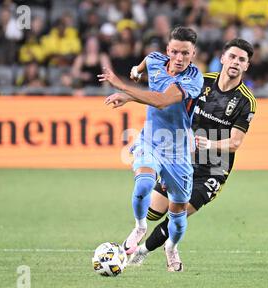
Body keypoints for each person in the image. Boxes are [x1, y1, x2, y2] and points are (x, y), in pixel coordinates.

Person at [127, 38, 257, 269]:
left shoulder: (246, 101)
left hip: (214, 168)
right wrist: (138, 72)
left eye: (242, 59)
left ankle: (149, 250)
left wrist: (208, 144)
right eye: (233, 57)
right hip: (181, 158)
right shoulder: (200, 81)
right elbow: (167, 91)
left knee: (180, 213)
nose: (236, 62)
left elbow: (235, 143)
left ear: (246, 66)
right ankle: (167, 241)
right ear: (223, 59)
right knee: (154, 212)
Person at [97, 27, 204, 272]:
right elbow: (147, 61)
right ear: (168, 50)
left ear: (193, 53)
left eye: (185, 54)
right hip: (151, 141)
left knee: (177, 214)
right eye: (175, 52)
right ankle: (140, 227)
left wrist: (125, 89)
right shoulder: (156, 59)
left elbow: (162, 101)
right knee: (144, 183)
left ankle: (171, 246)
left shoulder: (193, 78)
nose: (179, 58)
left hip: (177, 151)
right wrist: (136, 71)